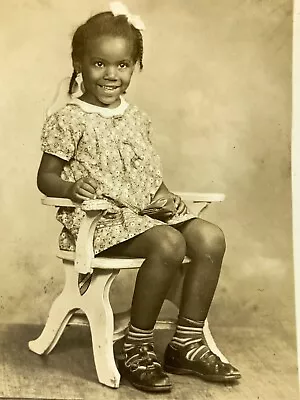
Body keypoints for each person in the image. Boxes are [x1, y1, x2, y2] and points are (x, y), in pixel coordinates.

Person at [37, 2, 241, 393]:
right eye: (99, 64)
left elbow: (146, 175)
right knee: (169, 241)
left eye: (122, 65)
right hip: (98, 222)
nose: (111, 75)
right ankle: (136, 346)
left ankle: (187, 343)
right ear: (79, 64)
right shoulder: (68, 118)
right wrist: (68, 188)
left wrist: (166, 196)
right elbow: (46, 177)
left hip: (143, 215)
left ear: (134, 67)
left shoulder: (137, 118)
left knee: (210, 236)